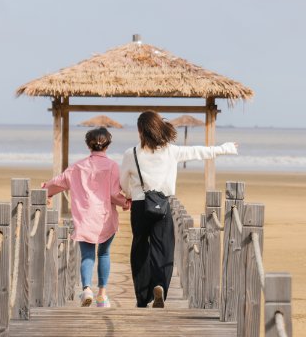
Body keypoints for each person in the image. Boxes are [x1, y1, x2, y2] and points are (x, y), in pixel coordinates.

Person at [119, 111, 238, 308]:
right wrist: (226, 148)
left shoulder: (131, 154)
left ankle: (142, 297)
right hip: (162, 205)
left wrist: (130, 194)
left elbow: (123, 182)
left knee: (140, 248)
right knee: (163, 249)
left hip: (140, 205)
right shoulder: (171, 151)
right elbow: (200, 152)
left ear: (140, 131)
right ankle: (159, 285)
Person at [42, 127, 131, 308]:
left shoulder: (77, 167)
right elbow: (114, 193)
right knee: (104, 254)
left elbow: (57, 183)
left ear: (88, 145)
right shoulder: (113, 166)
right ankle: (102, 295)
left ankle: (87, 289)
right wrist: (126, 203)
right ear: (107, 144)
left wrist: (45, 191)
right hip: (105, 218)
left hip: (84, 218)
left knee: (87, 256)